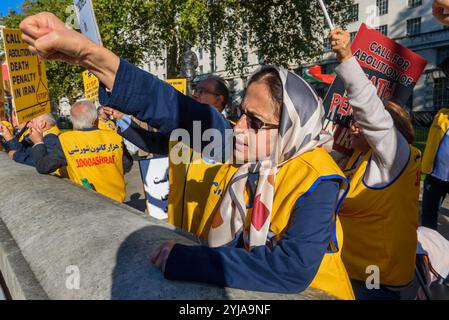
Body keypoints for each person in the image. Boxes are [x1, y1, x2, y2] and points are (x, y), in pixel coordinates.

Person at [20, 12, 356, 299]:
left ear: (291, 128)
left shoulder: (319, 176)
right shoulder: (253, 150)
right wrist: (90, 56)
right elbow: (174, 108)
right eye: (240, 113)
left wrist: (187, 261)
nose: (238, 128)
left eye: (254, 121)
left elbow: (292, 269)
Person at [329, 29, 421, 300]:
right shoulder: (357, 156)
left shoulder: (394, 156)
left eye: (360, 121)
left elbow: (371, 113)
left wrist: (346, 57)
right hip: (348, 271)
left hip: (375, 281)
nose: (352, 124)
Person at [105, 75, 232, 235]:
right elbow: (152, 143)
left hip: (208, 228)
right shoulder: (183, 131)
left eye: (202, 91)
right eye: (195, 90)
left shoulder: (227, 132)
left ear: (219, 99)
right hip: (176, 224)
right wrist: (122, 119)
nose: (195, 94)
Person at [30, 100, 133, 202]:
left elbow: (43, 166)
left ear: (73, 121)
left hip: (87, 202)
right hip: (118, 200)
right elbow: (127, 164)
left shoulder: (65, 140)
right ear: (95, 120)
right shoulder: (114, 136)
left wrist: (38, 142)